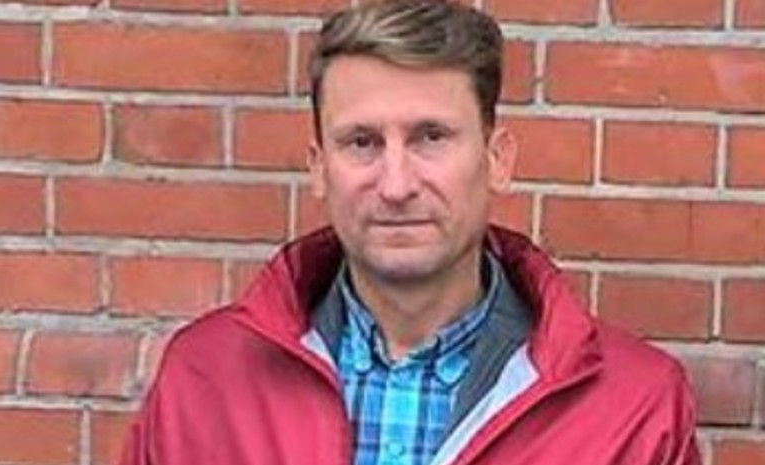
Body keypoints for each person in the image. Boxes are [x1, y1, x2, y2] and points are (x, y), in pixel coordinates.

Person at [119, 1, 701, 464]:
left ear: (497, 159)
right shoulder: (205, 380)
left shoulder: (634, 409)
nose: (396, 185)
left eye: (431, 137)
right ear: (319, 168)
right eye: (362, 142)